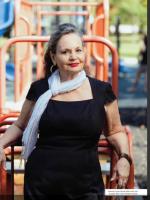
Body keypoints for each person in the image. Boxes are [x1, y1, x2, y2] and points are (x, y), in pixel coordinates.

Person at [0, 23, 132, 199]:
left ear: (84, 53)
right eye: (65, 52)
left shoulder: (102, 91)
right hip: (41, 183)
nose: (73, 57)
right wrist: (0, 144)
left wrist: (124, 157)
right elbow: (19, 125)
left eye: (78, 50)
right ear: (53, 58)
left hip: (86, 184)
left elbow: (115, 131)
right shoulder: (40, 89)